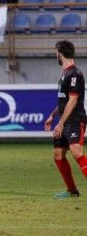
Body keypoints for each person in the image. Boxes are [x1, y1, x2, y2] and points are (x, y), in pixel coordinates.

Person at [45, 40, 87, 198]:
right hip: (65, 119)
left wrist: (60, 124)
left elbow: (73, 100)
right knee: (58, 154)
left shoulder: (74, 74)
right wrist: (53, 115)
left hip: (75, 119)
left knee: (76, 151)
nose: (56, 55)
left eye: (56, 52)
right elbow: (64, 101)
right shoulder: (65, 73)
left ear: (60, 53)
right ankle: (72, 191)